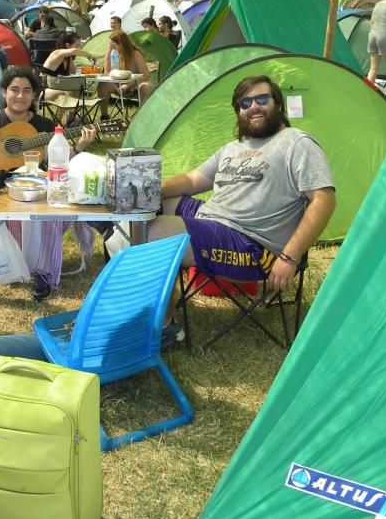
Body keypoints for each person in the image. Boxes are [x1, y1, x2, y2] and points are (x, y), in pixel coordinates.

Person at [144, 74, 336, 344]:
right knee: (143, 208)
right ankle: (147, 302)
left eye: (261, 99)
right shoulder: (233, 148)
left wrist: (289, 258)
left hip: (250, 243)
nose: (253, 107)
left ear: (278, 104)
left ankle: (165, 328)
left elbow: (323, 200)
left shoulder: (297, 143)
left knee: (152, 232)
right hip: (212, 221)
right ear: (238, 111)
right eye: (245, 103)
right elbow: (191, 180)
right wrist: (148, 190)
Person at [0, 67, 96, 301]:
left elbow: (60, 161)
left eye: (26, 91)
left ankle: (43, 271)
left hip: (35, 192)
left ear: (34, 96)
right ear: (4, 92)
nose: (20, 96)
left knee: (48, 212)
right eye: (14, 90)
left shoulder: (45, 126)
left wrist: (80, 147)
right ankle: (10, 261)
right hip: (0, 193)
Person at [98, 31, 151, 118]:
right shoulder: (113, 52)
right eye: (111, 45)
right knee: (102, 86)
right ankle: (104, 116)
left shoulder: (135, 53)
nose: (113, 48)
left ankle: (143, 117)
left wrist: (128, 85)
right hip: (121, 83)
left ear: (122, 44)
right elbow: (107, 73)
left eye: (114, 45)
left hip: (137, 83)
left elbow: (146, 75)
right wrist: (109, 51)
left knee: (144, 87)